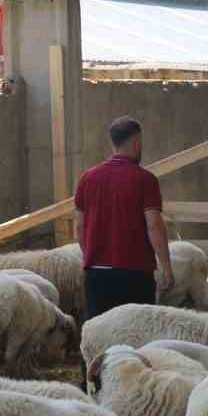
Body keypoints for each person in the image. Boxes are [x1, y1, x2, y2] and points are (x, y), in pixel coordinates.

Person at [72, 116, 173, 321]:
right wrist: (166, 267)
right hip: (135, 273)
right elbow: (154, 225)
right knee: (136, 331)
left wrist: (92, 258)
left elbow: (79, 227)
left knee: (100, 332)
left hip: (97, 275)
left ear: (113, 142)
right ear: (136, 141)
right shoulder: (145, 179)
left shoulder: (87, 178)